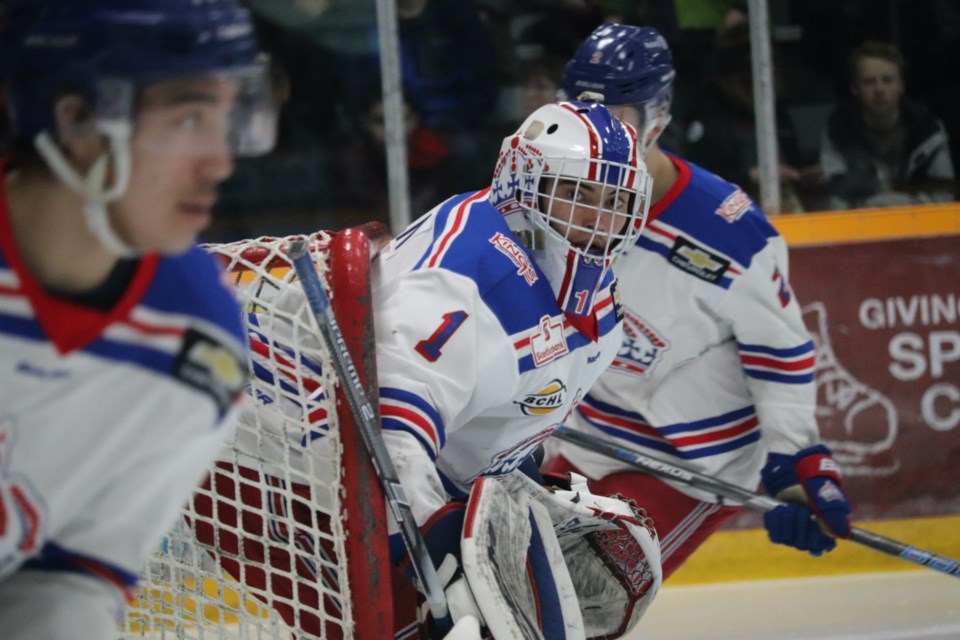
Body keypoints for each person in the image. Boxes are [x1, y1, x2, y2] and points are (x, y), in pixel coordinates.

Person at [192, 98, 658, 638]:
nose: (597, 218)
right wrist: (434, 550)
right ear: (522, 182)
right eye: (576, 193)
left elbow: (500, 403)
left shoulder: (591, 296)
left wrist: (519, 482)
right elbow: (392, 426)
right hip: (280, 460)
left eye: (614, 201)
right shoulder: (466, 272)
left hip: (361, 461)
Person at [0, 1, 276, 637]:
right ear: (75, 118)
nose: (220, 164)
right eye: (187, 119)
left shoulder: (197, 341)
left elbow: (69, 575)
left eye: (228, 119)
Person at [544, 24, 854, 580]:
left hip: (687, 466)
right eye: (582, 119)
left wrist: (791, 462)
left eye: (619, 120)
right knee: (502, 574)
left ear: (658, 117)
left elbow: (778, 350)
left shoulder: (724, 233)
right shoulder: (547, 199)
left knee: (583, 594)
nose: (598, 140)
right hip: (590, 434)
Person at [819, 40, 955, 209]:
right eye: (869, 82)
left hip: (919, 227)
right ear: (855, 88)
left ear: (901, 86)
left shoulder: (929, 131)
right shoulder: (838, 129)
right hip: (860, 229)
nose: (879, 90)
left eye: (887, 80)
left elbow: (944, 199)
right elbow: (835, 202)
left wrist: (885, 204)